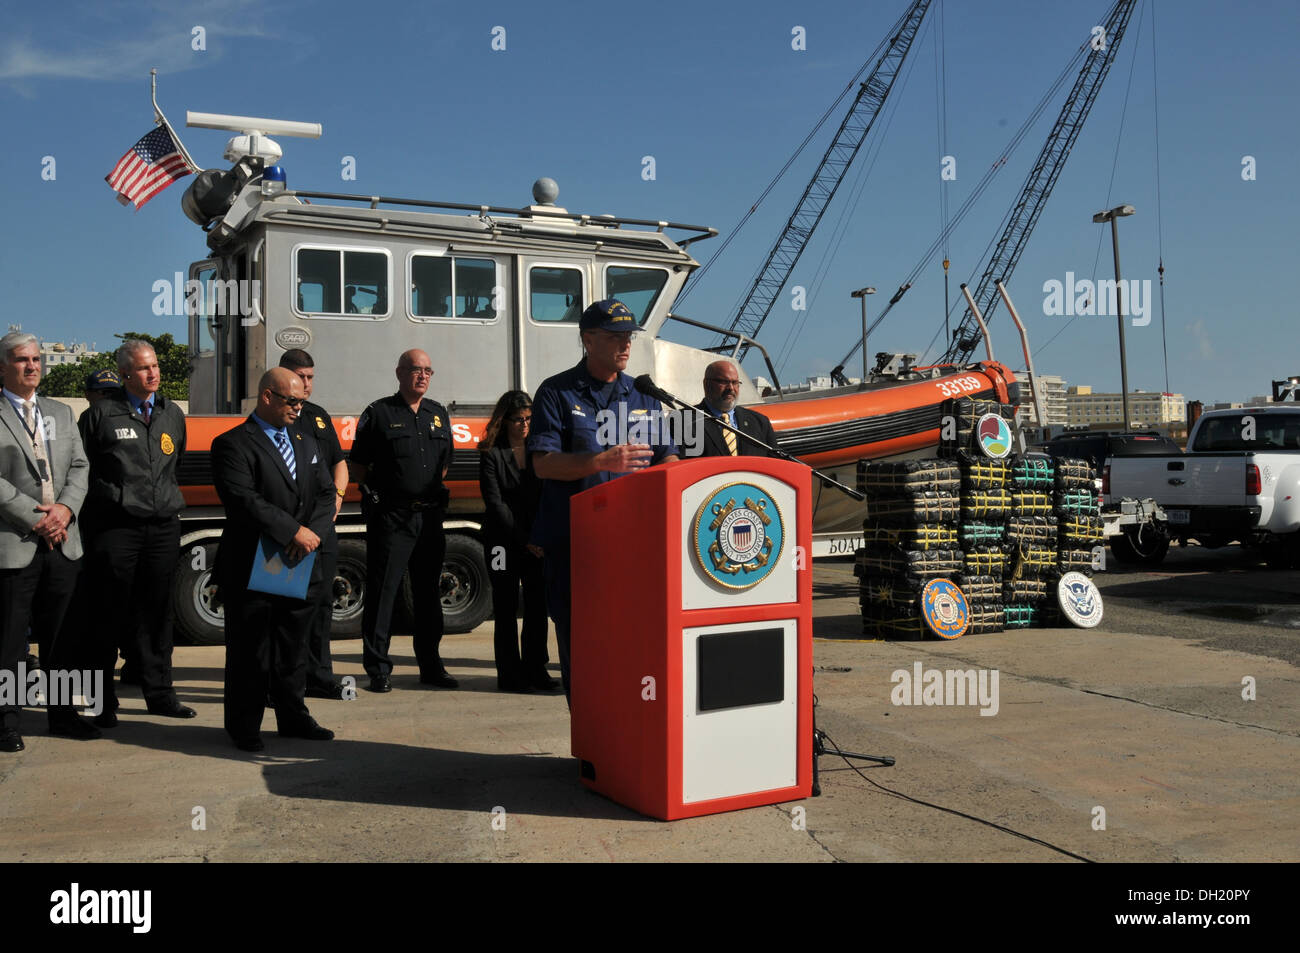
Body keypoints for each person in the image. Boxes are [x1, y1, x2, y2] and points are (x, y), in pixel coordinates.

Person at [529, 299, 679, 699]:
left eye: (628, 337)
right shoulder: (556, 392)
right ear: (587, 340)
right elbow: (543, 465)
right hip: (577, 545)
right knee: (581, 647)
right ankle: (591, 747)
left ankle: (629, 737)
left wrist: (673, 474)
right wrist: (600, 460)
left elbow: (669, 456)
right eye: (615, 337)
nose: (625, 345)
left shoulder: (644, 395)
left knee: (635, 643)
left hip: (635, 547)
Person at [211, 368, 336, 752]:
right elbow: (244, 499)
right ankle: (244, 726)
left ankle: (293, 715)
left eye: (302, 400)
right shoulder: (232, 444)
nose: (299, 408)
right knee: (251, 651)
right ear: (267, 396)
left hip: (299, 562)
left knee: (292, 647)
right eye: (291, 401)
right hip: (253, 563)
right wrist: (291, 531)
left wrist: (310, 535)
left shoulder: (306, 440)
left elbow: (325, 493)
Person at [78, 340, 193, 726]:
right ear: (126, 374)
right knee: (106, 615)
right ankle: (101, 701)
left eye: (155, 366)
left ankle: (160, 695)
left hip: (162, 528)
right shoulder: (100, 416)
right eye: (144, 368)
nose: (153, 373)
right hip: (116, 529)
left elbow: (175, 464)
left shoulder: (172, 414)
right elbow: (82, 472)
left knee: (157, 615)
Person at [0, 331, 96, 751]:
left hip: (63, 541)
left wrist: (65, 511)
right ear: (3, 366)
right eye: (22, 359)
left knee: (62, 637)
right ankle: (6, 722)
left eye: (37, 359)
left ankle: (62, 715)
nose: (33, 366)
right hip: (15, 542)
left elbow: (80, 465)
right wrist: (36, 518)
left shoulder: (59, 411)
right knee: (9, 639)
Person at [350, 349, 455, 694]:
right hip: (392, 518)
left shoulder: (438, 414)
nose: (422, 376)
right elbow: (359, 467)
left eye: (428, 370)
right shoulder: (379, 413)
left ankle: (431, 665)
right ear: (399, 373)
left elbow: (443, 466)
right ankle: (378, 668)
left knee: (428, 594)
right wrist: (378, 502)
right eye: (415, 370)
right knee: (384, 594)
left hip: (428, 518)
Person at [279, 349, 348, 700]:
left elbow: (339, 463)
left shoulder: (319, 417)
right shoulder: (277, 415)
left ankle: (319, 676)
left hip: (323, 524)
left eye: (310, 377)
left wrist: (336, 499)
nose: (306, 384)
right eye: (300, 377)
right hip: (290, 527)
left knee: (322, 602)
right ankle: (281, 682)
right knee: (284, 606)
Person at [479, 390, 553, 693]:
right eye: (518, 419)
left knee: (537, 608)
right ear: (504, 420)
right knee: (506, 606)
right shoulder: (489, 454)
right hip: (502, 541)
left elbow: (549, 497)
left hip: (535, 538)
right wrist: (526, 540)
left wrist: (541, 536)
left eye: (528, 418)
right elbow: (496, 505)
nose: (524, 424)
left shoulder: (541, 451)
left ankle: (537, 671)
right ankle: (510, 676)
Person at [695, 359, 779, 458]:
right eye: (724, 382)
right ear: (707, 384)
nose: (731, 388)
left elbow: (776, 462)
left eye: (735, 382)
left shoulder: (760, 422)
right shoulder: (684, 420)